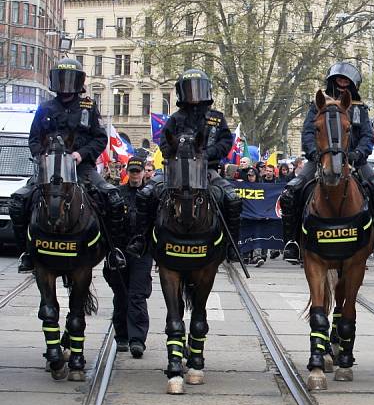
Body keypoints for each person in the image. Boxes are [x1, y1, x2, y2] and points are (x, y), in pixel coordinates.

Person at [10, 58, 127, 272]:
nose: (65, 84)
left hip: (81, 168)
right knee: (18, 201)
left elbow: (100, 138)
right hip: (49, 170)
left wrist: (80, 155)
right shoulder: (44, 108)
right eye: (61, 79)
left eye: (70, 79)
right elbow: (34, 139)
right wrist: (41, 157)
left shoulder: (88, 106)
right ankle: (26, 252)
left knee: (113, 198)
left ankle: (113, 251)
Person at [279, 61, 374, 263]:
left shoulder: (360, 109)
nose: (342, 83)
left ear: (352, 84)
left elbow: (367, 136)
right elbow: (308, 132)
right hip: (321, 160)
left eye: (346, 80)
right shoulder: (317, 105)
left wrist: (358, 154)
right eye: (339, 79)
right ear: (332, 80)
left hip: (354, 162)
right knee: (291, 192)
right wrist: (316, 154)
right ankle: (293, 243)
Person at [125, 68, 242, 262]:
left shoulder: (217, 117)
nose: (194, 95)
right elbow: (163, 142)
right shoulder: (175, 118)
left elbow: (225, 142)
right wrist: (175, 153)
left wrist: (206, 154)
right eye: (190, 90)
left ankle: (231, 245)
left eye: (198, 89)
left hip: (207, 170)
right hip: (175, 170)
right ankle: (141, 239)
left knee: (232, 198)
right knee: (146, 194)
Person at [103, 156, 153, 357]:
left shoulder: (151, 194)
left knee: (137, 295)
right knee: (121, 294)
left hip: (142, 251)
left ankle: (137, 340)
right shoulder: (117, 194)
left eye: (138, 171)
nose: (135, 175)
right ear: (127, 172)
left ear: (143, 172)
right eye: (131, 172)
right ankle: (122, 336)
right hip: (121, 250)